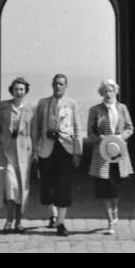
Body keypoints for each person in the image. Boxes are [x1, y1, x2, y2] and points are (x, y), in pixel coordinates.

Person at [33, 73, 82, 235]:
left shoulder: (72, 103)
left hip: (65, 148)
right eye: (56, 83)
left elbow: (77, 128)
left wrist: (77, 152)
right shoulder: (43, 103)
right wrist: (34, 150)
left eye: (61, 84)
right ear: (52, 85)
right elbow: (36, 128)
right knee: (46, 187)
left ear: (66, 86)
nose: (58, 86)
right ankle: (52, 214)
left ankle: (61, 223)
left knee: (63, 185)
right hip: (46, 149)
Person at [86, 78, 134, 234]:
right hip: (102, 153)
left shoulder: (122, 108)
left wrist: (122, 137)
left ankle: (115, 208)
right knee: (104, 188)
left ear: (115, 92)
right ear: (101, 93)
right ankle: (110, 223)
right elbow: (90, 132)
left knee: (116, 186)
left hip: (118, 152)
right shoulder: (95, 110)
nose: (108, 93)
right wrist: (98, 138)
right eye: (105, 91)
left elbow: (130, 128)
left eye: (111, 90)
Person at [0, 78, 34, 233]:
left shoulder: (30, 109)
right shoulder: (4, 107)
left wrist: (34, 152)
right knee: (11, 186)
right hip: (7, 152)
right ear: (12, 90)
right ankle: (8, 220)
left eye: (22, 89)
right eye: (16, 89)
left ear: (25, 91)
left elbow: (33, 133)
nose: (19, 92)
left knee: (22, 187)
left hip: (24, 153)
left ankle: (18, 221)